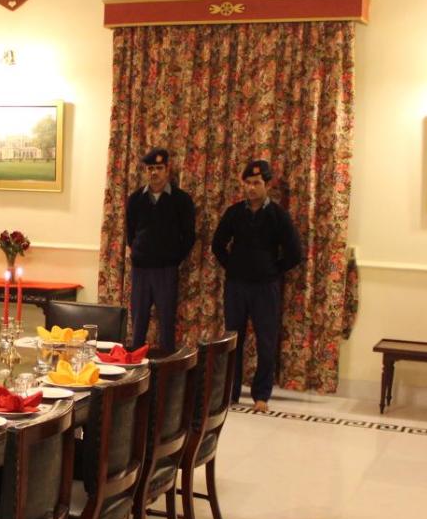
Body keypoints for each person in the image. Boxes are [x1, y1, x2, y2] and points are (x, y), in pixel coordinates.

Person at [210, 159, 303, 412]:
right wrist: (233, 266)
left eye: (257, 183)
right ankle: (230, 393)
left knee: (266, 342)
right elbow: (217, 244)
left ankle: (261, 396)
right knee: (233, 340)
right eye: (248, 183)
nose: (251, 188)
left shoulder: (278, 215)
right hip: (236, 287)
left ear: (267, 185)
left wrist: (273, 269)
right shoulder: (234, 213)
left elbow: (295, 253)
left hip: (265, 288)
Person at [124, 146, 196, 353]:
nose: (154, 172)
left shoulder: (181, 200)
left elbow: (189, 236)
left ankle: (167, 368)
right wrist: (139, 252)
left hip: (166, 270)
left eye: (158, 168)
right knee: (138, 322)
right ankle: (135, 365)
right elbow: (130, 232)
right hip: (141, 270)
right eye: (150, 169)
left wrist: (173, 258)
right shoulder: (135, 199)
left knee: (166, 323)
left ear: (167, 170)